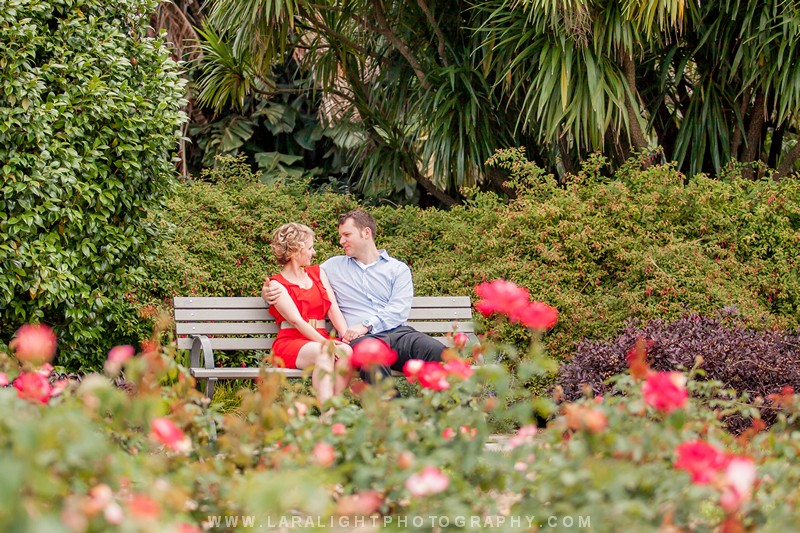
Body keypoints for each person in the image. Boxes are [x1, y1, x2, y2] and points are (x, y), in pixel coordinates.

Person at [263, 210, 445, 382]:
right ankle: (392, 414)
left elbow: (399, 310)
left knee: (439, 352)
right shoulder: (332, 267)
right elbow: (297, 278)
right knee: (371, 355)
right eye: (341, 236)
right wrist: (268, 292)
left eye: (347, 235)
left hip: (399, 334)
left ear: (366, 233)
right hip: (361, 340)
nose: (341, 241)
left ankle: (443, 413)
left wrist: (366, 325)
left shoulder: (397, 269)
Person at [264, 223, 352, 406]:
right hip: (292, 341)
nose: (314, 253)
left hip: (320, 337)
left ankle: (332, 408)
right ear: (296, 250)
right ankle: (328, 417)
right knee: (324, 352)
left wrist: (345, 336)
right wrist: (326, 344)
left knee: (346, 352)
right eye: (310, 248)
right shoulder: (275, 285)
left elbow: (332, 307)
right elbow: (296, 321)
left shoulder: (317, 273)